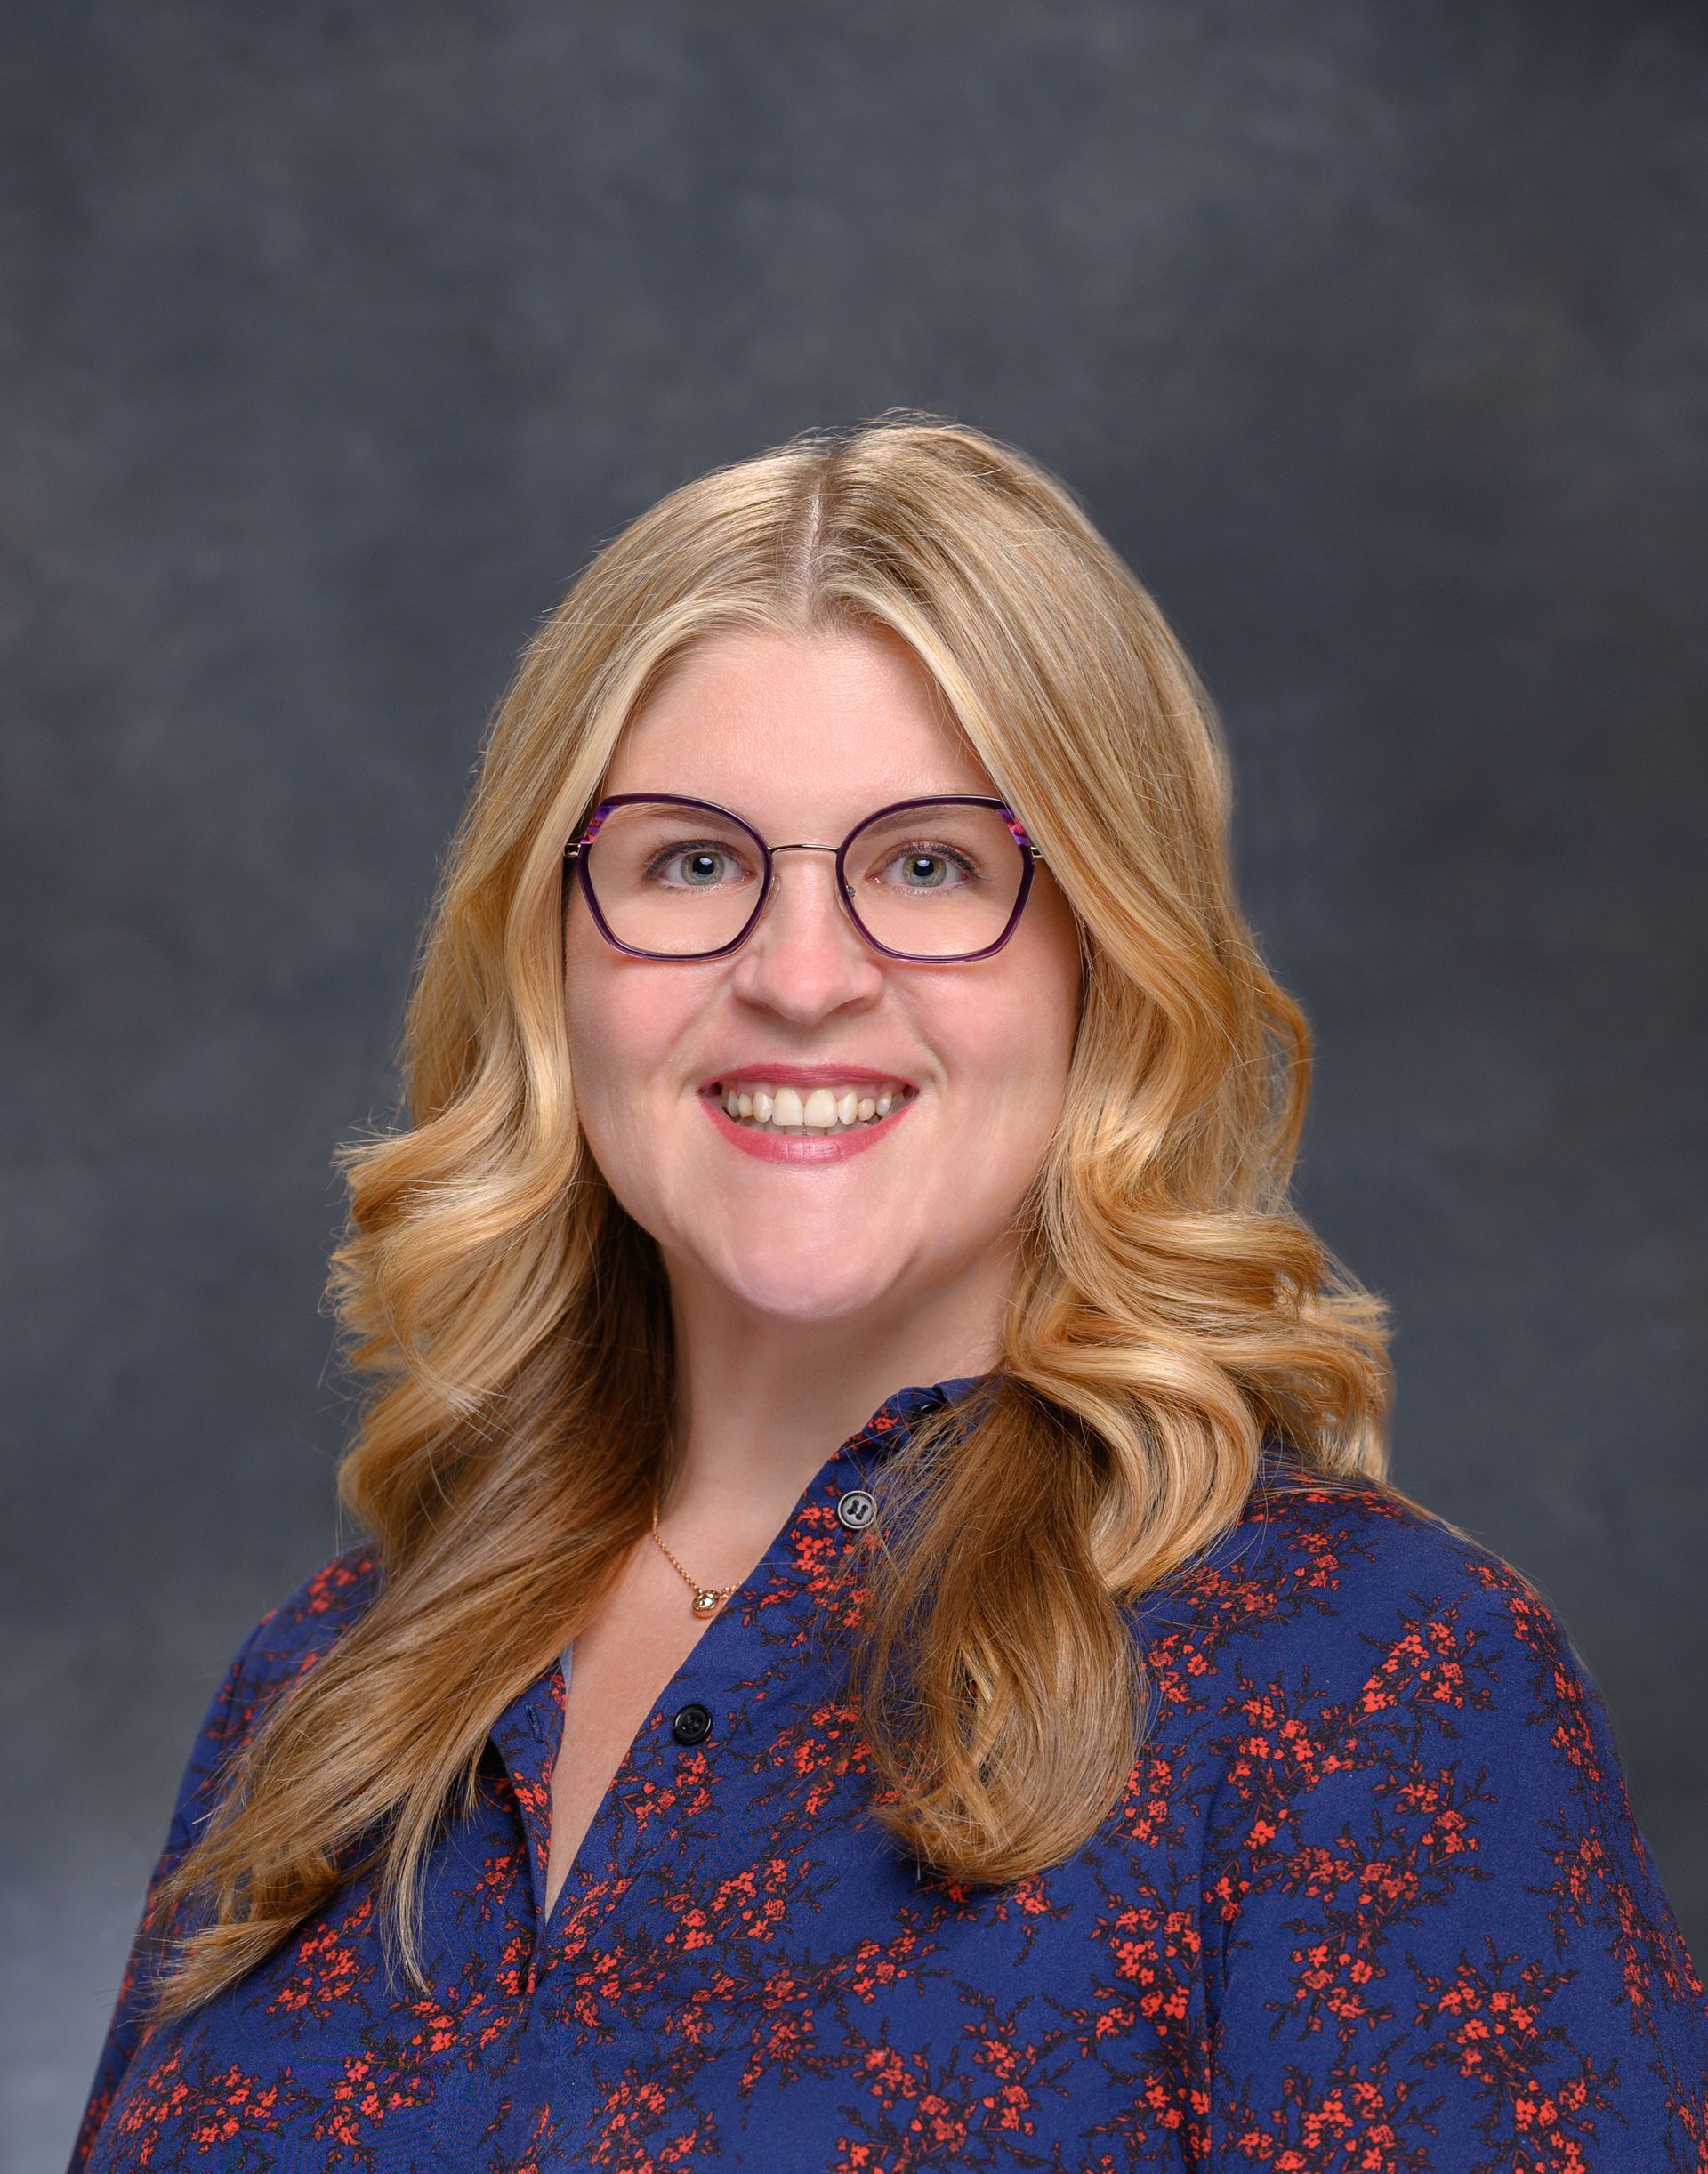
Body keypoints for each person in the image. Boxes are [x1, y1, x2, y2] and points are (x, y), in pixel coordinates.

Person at [71, 414, 1707, 2170]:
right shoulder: (324, 1697)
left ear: (1107, 955)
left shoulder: (1366, 1684)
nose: (798, 977)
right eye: (689, 863)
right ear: (555, 960)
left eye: (931, 865)